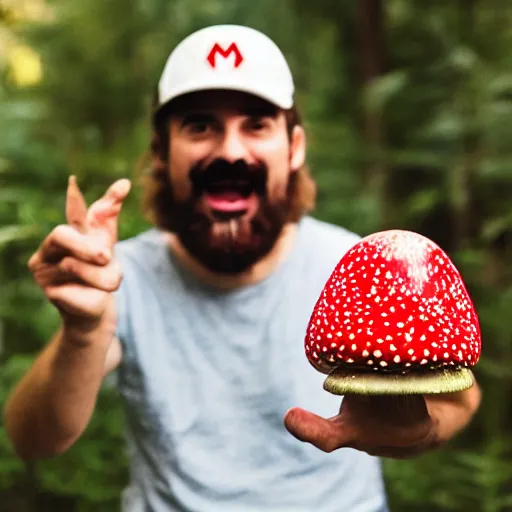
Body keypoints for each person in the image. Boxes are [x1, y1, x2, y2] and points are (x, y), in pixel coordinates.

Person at [4, 24, 481, 512]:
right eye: (200, 126)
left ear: (294, 148)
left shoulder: (359, 268)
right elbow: (34, 439)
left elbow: (458, 395)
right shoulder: (119, 277)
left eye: (256, 124)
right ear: (163, 154)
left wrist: (417, 430)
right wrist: (85, 331)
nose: (230, 151)